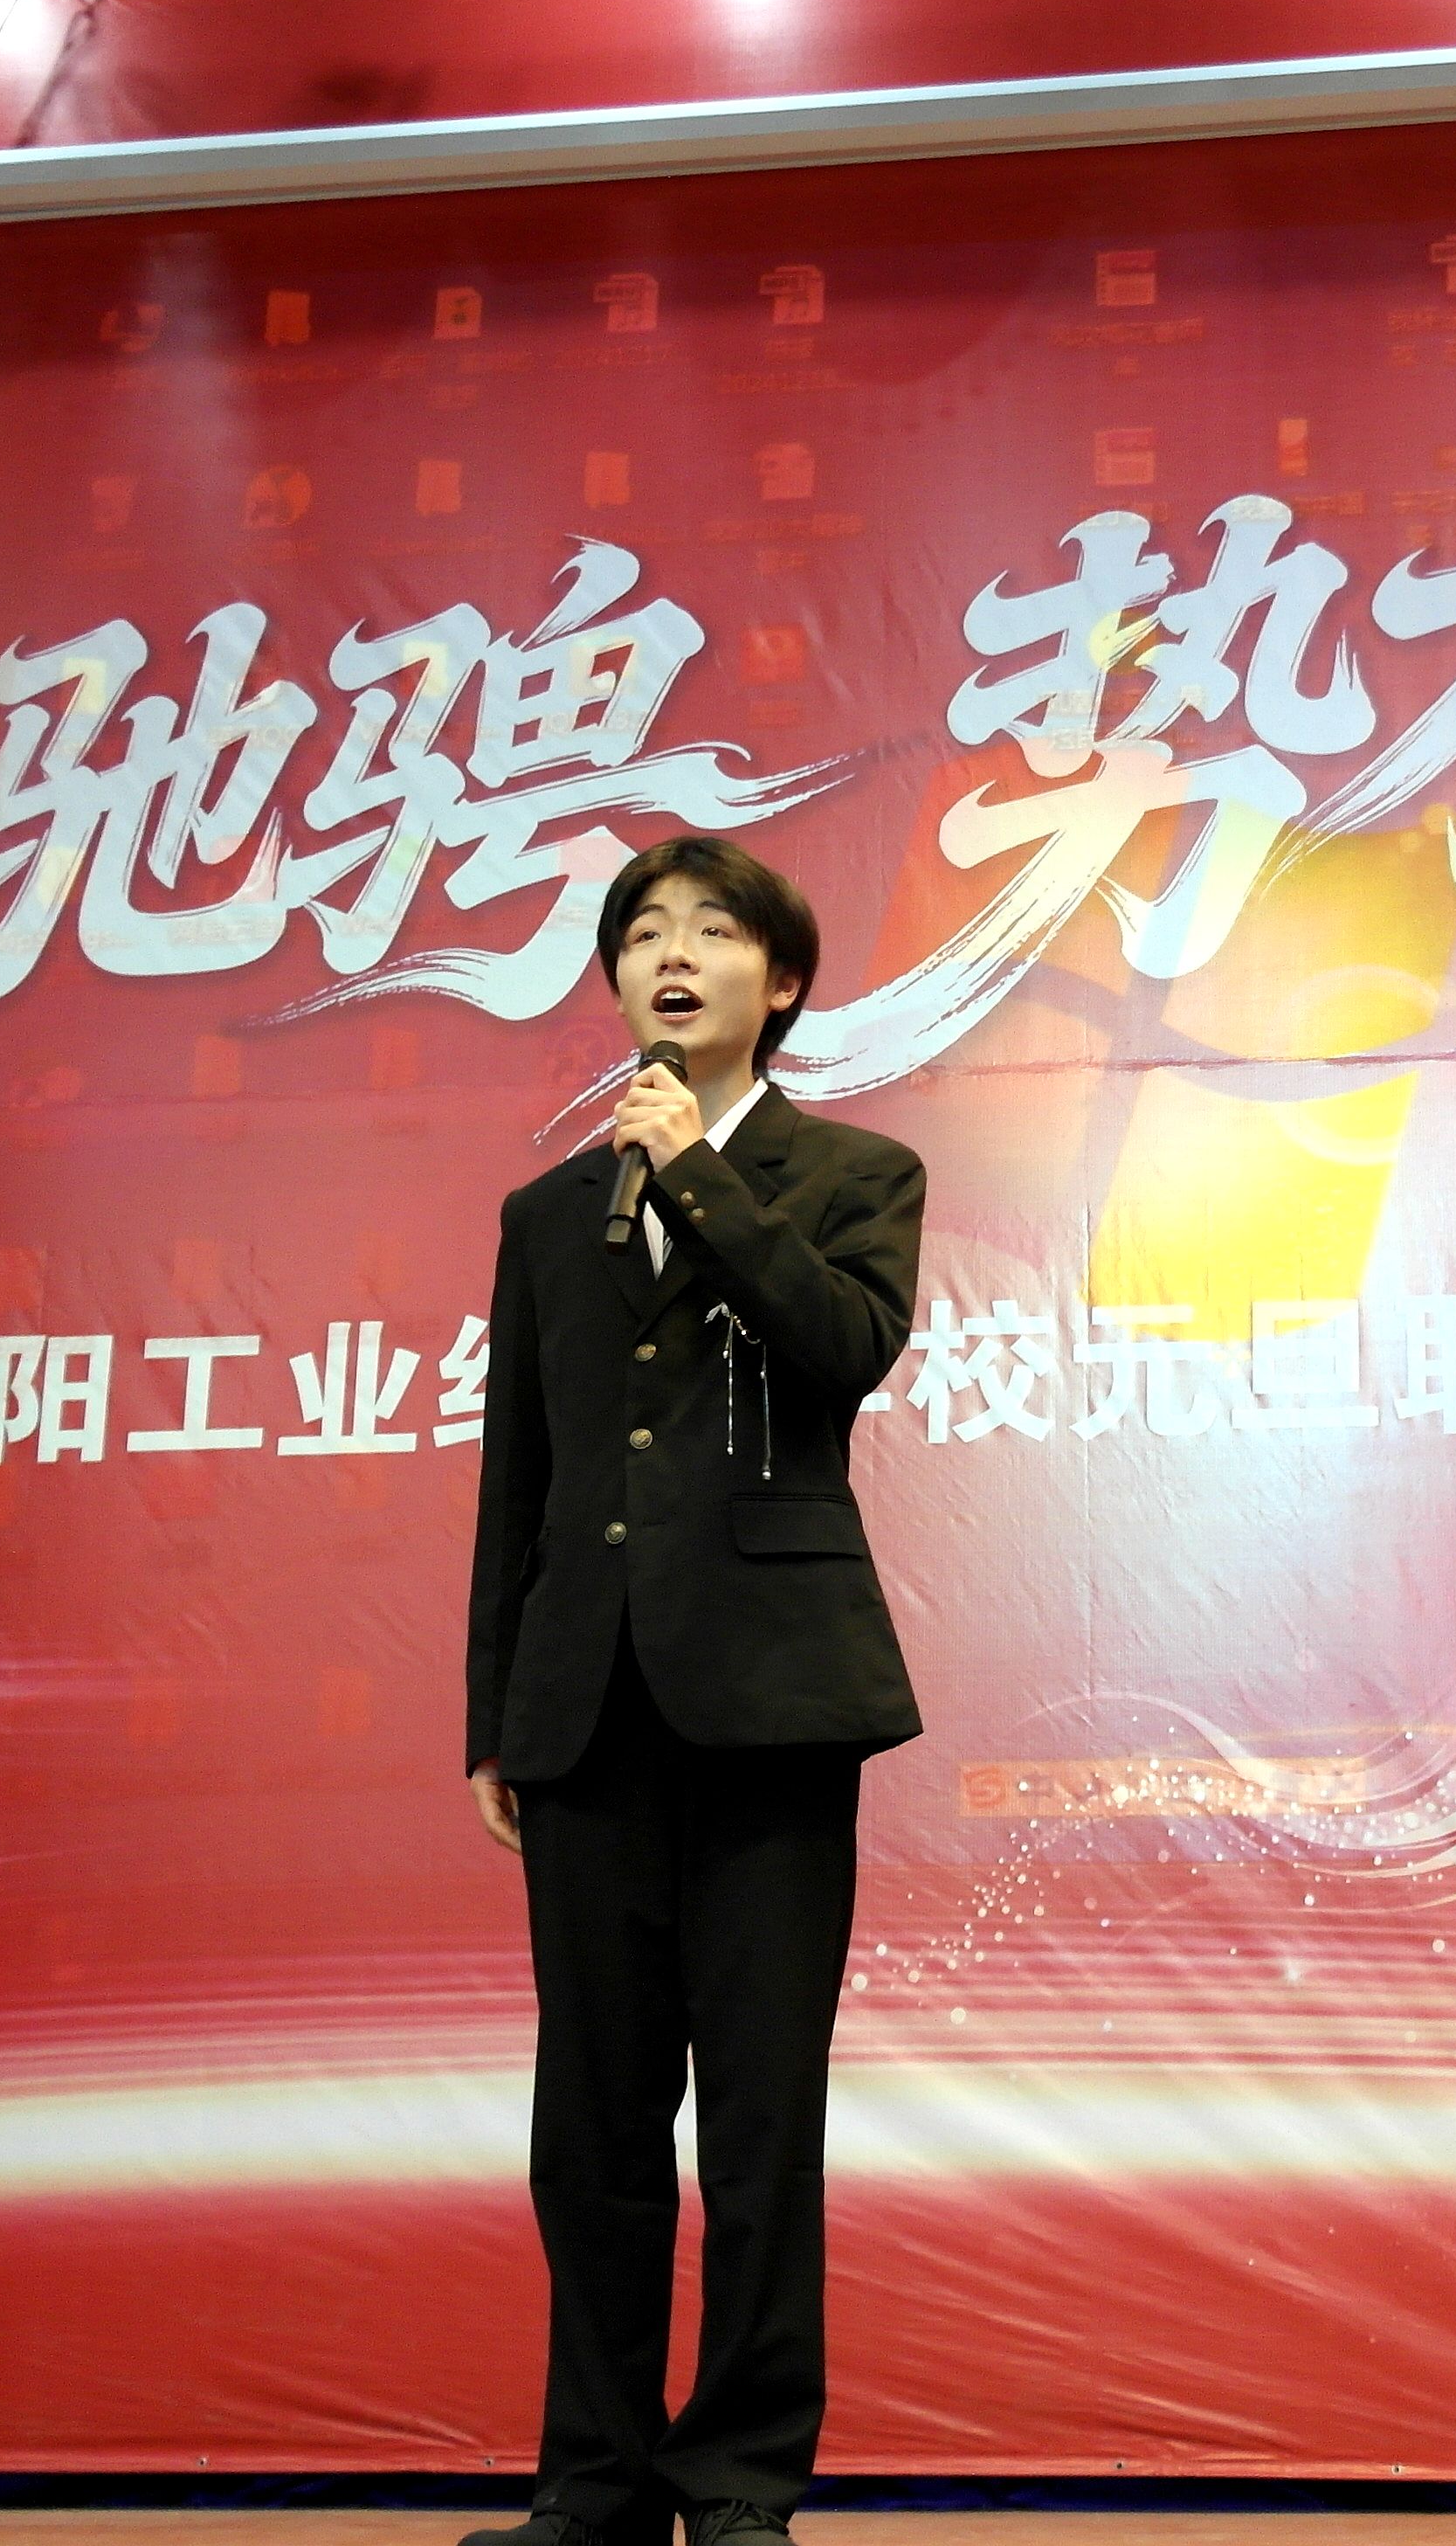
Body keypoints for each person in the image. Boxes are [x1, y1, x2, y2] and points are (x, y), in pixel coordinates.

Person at [459, 834, 927, 2546]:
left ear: (778, 983)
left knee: (756, 2118)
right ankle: (591, 2482)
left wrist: (700, 1181)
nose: (671, 955)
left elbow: (842, 1350)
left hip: (775, 1702)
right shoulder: (547, 1217)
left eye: (713, 932)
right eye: (642, 933)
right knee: (588, 2124)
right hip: (586, 1707)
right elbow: (521, 1475)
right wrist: (495, 1712)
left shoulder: (853, 1174)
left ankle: (737, 2479)